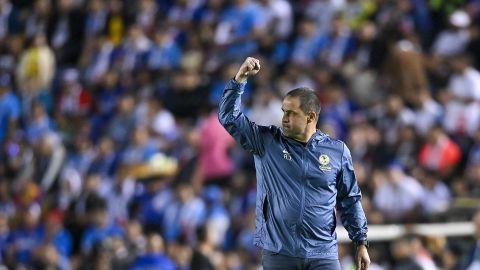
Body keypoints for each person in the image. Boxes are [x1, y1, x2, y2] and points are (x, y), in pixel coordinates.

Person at [218, 57, 370, 270]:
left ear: (310, 117)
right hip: (280, 252)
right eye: (283, 112)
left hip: (323, 253)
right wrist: (240, 79)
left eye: (291, 113)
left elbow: (350, 199)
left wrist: (361, 241)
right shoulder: (267, 142)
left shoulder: (337, 151)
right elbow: (228, 117)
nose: (284, 118)